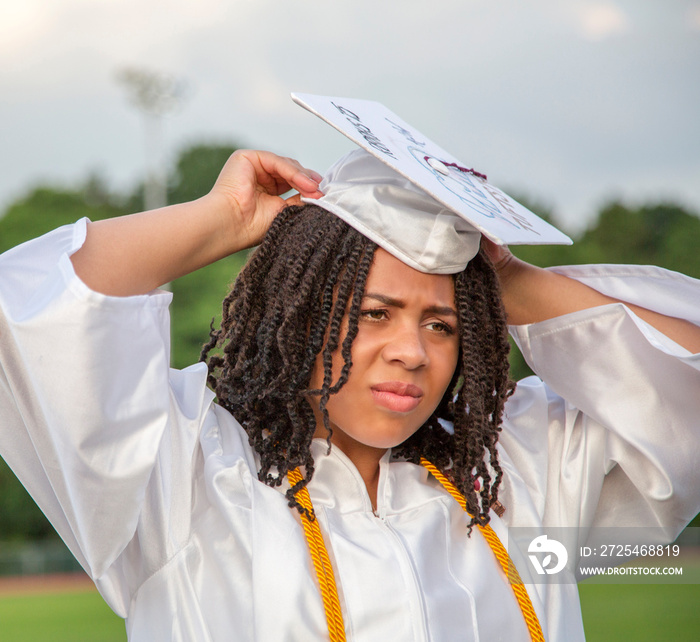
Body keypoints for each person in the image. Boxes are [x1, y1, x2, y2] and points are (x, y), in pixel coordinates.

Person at [0, 147, 699, 642]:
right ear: (301, 314)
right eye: (374, 313)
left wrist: (497, 276)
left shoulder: (515, 468)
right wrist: (226, 220)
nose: (411, 351)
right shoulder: (187, 471)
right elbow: (33, 315)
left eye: (442, 323)